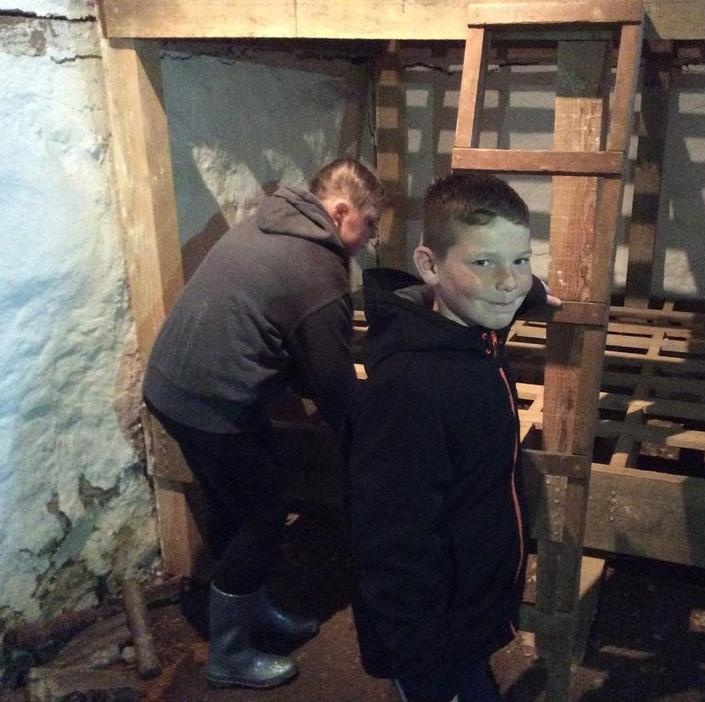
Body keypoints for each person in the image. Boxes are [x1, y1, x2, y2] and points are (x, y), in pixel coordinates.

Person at [142, 158, 388, 689]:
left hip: (172, 385)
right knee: (263, 514)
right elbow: (332, 385)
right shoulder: (320, 269)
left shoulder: (271, 219)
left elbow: (285, 332)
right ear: (339, 212)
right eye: (368, 224)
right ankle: (229, 654)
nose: (370, 239)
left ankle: (252, 607)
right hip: (211, 401)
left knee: (238, 501)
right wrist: (375, 440)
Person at [347, 172, 556, 702]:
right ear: (430, 265)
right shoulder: (410, 390)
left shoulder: (473, 329)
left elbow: (509, 287)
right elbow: (391, 539)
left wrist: (533, 290)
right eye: (483, 262)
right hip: (430, 633)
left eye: (521, 259)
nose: (508, 282)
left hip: (469, 605)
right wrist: (416, 652)